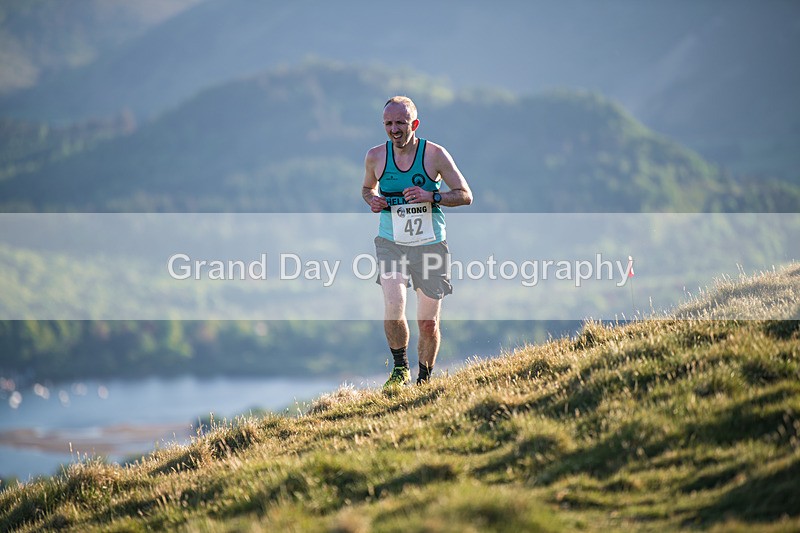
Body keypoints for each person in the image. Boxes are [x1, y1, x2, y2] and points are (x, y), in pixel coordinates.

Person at [362, 96, 473, 388]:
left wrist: (432, 196)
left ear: (415, 124)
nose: (394, 129)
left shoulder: (434, 155)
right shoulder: (375, 156)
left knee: (428, 323)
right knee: (394, 303)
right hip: (391, 241)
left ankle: (424, 380)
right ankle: (400, 370)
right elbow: (366, 188)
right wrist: (372, 200)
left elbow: (464, 194)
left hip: (430, 245)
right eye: (388, 123)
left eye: (400, 123)